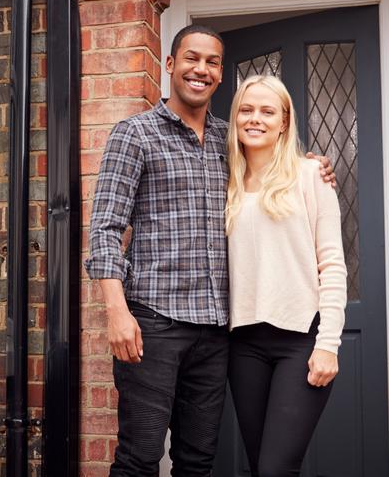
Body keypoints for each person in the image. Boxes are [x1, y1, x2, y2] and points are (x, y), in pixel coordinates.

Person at [85, 25, 335, 476]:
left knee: (197, 461)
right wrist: (116, 311)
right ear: (170, 64)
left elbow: (275, 161)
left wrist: (313, 165)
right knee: (139, 456)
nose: (201, 69)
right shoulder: (135, 135)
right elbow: (104, 228)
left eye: (212, 62)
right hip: (154, 325)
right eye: (191, 58)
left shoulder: (230, 142)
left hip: (217, 332)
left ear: (220, 75)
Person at [226, 75, 347, 477]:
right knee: (261, 466)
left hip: (301, 340)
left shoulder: (310, 176)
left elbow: (331, 264)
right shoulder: (224, 182)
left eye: (267, 111)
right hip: (243, 344)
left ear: (284, 120)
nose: (255, 118)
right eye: (246, 110)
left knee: (277, 468)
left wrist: (328, 343)